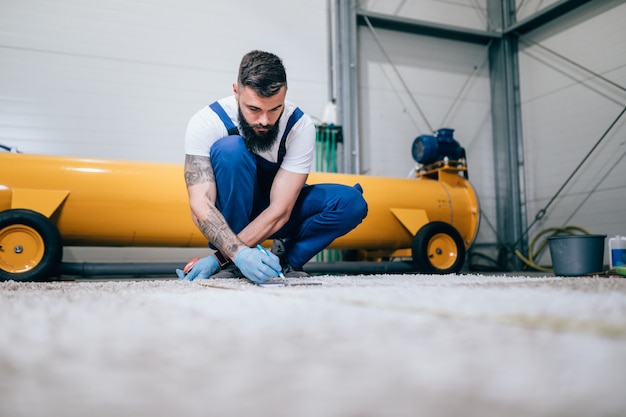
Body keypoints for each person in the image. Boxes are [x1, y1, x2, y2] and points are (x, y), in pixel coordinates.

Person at [177, 50, 367, 284]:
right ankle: (237, 264)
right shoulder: (207, 122)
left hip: (278, 211)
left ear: (284, 96)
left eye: (274, 109)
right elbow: (200, 204)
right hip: (233, 214)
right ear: (236, 92)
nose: (265, 121)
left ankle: (286, 259)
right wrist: (238, 253)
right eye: (254, 109)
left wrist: (218, 260)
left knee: (350, 202)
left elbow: (281, 210)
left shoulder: (299, 126)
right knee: (231, 149)